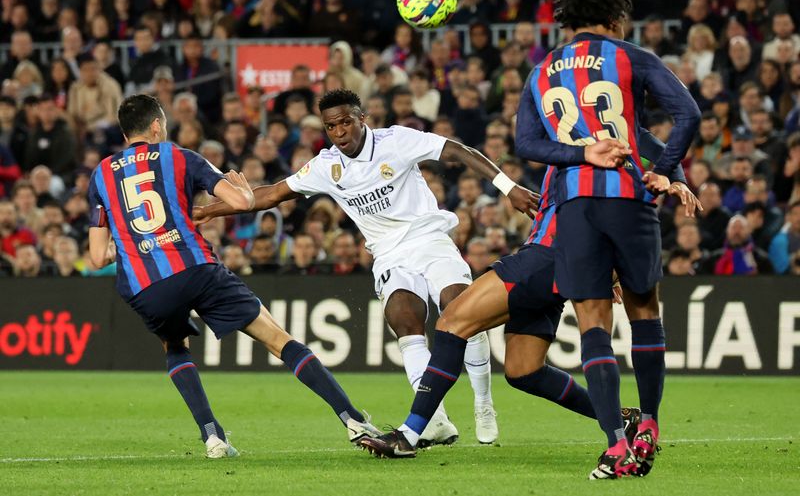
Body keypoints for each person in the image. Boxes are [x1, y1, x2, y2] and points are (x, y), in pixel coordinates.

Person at [196, 89, 540, 446]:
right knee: (405, 321)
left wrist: (508, 186)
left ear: (363, 119)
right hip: (389, 255)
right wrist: (213, 210)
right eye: (331, 126)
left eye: (346, 121)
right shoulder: (327, 166)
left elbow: (457, 150)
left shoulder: (396, 141)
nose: (340, 131)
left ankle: (483, 403)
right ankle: (435, 419)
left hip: (429, 239)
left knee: (461, 309)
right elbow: (271, 194)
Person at [357, 130, 700, 461]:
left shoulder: (610, 146)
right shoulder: (580, 145)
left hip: (545, 257)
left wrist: (676, 178)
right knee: (524, 371)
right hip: (560, 262)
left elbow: (649, 152)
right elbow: (653, 149)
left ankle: (410, 433)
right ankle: (624, 419)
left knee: (452, 322)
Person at [86, 95, 380, 458]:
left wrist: (137, 242)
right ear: (157, 126)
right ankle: (352, 419)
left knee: (175, 347)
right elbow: (241, 203)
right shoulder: (180, 157)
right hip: (195, 267)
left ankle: (212, 437)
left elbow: (98, 256)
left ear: (124, 131)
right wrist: (241, 189)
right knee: (277, 338)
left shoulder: (100, 174)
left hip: (145, 285)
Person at [511, 0, 701, 479]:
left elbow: (527, 143)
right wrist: (668, 170)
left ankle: (615, 444)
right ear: (616, 19)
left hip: (574, 206)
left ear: (568, 23)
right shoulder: (630, 56)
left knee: (593, 320)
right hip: (627, 200)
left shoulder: (542, 71)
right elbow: (687, 113)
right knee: (643, 311)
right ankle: (651, 425)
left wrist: (579, 153)